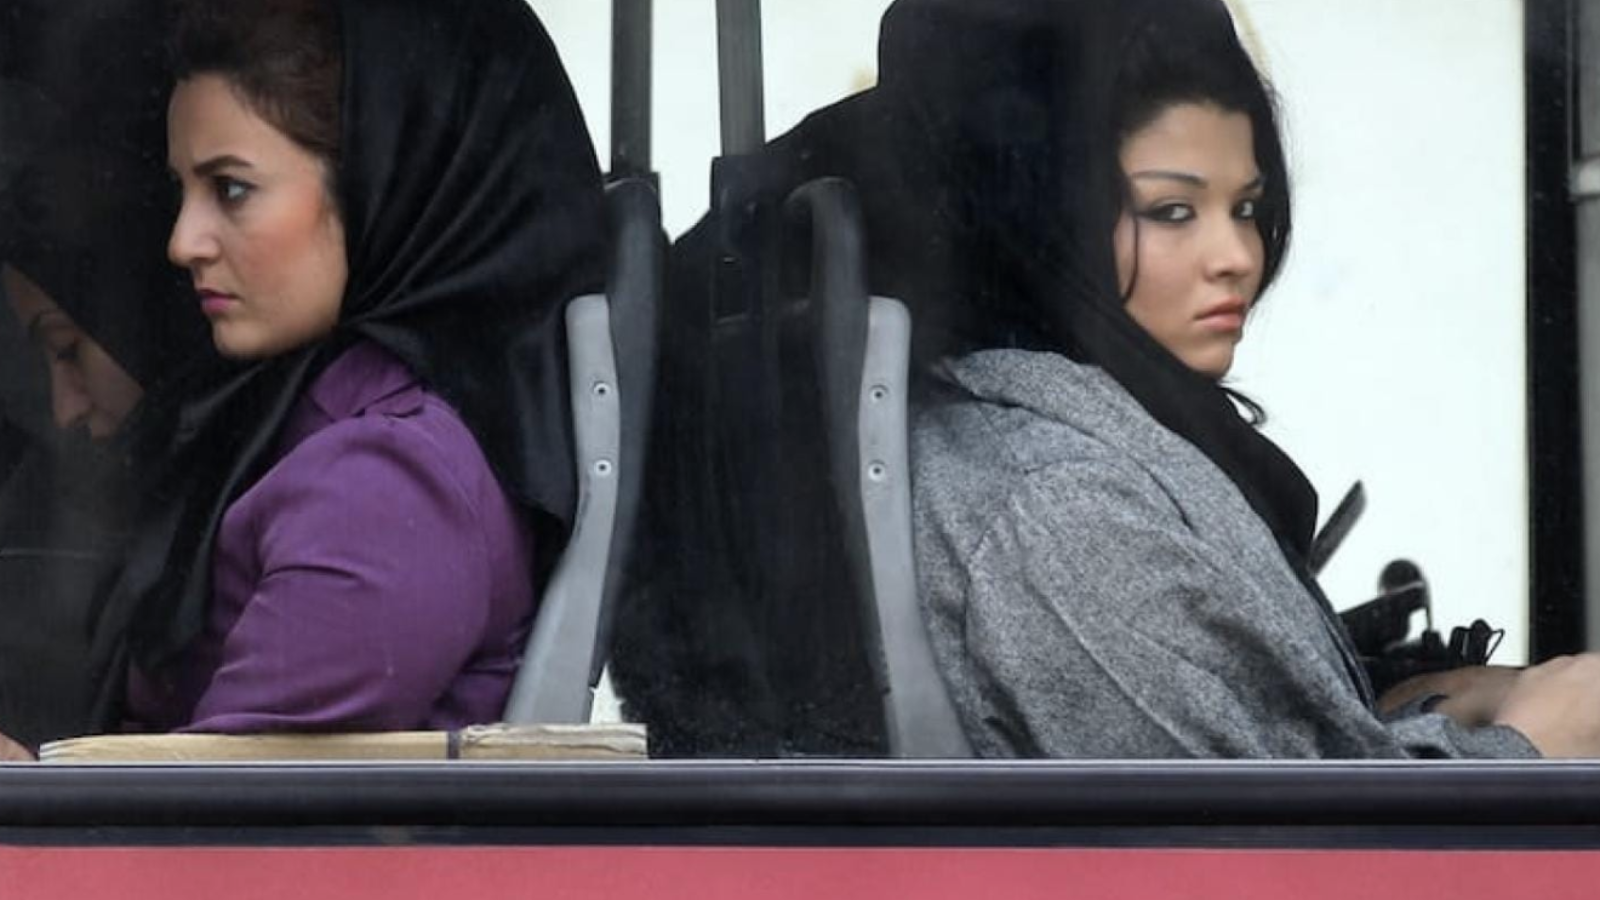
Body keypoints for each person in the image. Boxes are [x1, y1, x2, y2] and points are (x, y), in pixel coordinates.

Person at [900, 0, 1600, 758]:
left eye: (1246, 208)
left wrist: (1423, 704)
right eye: (1172, 211)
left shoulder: (1096, 439)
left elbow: (1248, 760)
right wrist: (1528, 744)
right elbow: (1278, 854)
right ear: (1043, 222)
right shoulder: (1061, 503)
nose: (1236, 254)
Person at [52, 0, 606, 739]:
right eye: (183, 189)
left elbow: (204, 838)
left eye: (232, 189)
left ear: (381, 182)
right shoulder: (309, 416)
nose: (183, 242)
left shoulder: (389, 486)